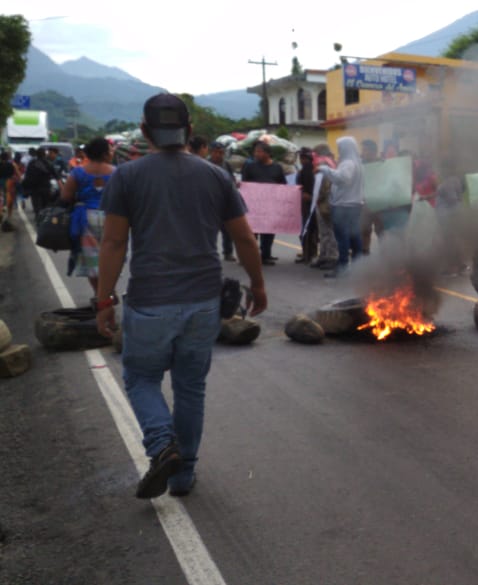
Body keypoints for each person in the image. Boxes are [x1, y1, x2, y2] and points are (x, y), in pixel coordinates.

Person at [95, 93, 267, 499]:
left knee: (141, 378)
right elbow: (243, 236)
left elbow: (114, 243)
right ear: (189, 131)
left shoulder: (127, 177)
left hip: (150, 300)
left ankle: (159, 443)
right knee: (191, 387)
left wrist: (103, 300)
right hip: (204, 301)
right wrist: (257, 285)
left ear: (143, 132)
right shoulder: (216, 175)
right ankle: (183, 474)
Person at [60, 137, 115, 295]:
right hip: (111, 219)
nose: (112, 153)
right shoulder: (116, 172)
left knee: (91, 261)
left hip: (85, 220)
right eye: (110, 150)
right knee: (110, 257)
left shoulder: (78, 173)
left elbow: (65, 197)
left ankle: (99, 295)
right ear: (104, 154)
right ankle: (108, 291)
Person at [318, 137, 365, 278]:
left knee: (342, 237)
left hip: (344, 205)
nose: (338, 150)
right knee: (354, 236)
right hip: (354, 204)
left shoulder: (348, 163)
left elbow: (343, 178)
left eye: (340, 147)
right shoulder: (357, 162)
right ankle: (358, 266)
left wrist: (325, 169)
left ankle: (343, 267)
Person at [240, 142, 286, 266]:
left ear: (267, 153)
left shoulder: (277, 168)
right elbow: (245, 184)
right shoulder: (250, 167)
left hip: (270, 207)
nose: (256, 154)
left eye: (259, 151)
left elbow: (283, 185)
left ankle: (265, 255)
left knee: (268, 232)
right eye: (255, 151)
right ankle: (249, 257)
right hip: (253, 207)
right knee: (251, 232)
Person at [208, 142, 238, 262]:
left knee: (227, 230)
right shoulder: (206, 164)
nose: (219, 155)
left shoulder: (226, 165)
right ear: (211, 152)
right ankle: (210, 252)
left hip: (224, 201)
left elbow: (232, 179)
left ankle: (228, 252)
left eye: (221, 152)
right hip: (210, 201)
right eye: (216, 152)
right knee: (210, 229)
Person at [358, 139, 383, 254]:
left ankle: (385, 257)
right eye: (362, 150)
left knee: (381, 231)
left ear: (373, 152)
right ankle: (365, 254)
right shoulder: (360, 164)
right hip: (365, 203)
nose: (362, 153)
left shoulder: (382, 164)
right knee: (364, 230)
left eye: (365, 150)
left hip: (379, 203)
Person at [22, 146, 62, 215]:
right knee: (45, 207)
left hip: (34, 189)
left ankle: (38, 218)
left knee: (37, 207)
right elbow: (57, 177)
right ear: (44, 154)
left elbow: (27, 176)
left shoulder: (31, 163)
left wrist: (26, 188)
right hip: (45, 188)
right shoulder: (49, 163)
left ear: (36, 154)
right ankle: (43, 220)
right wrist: (62, 189)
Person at [295, 148, 318, 264]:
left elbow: (309, 186)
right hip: (307, 203)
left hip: (308, 203)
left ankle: (309, 255)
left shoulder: (307, 169)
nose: (301, 160)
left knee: (307, 230)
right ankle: (308, 254)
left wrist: (307, 194)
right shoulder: (306, 168)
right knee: (308, 230)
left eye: (302, 157)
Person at [0, 151, 15, 232]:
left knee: (1, 199)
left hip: (0, 183)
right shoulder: (11, 165)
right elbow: (13, 175)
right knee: (9, 199)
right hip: (9, 183)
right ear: (7, 158)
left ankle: (2, 210)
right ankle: (8, 216)